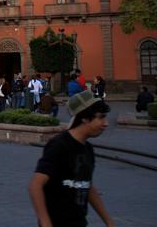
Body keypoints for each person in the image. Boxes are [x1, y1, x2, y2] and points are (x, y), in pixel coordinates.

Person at [29, 90, 115, 227]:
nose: (106, 124)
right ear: (85, 118)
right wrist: (45, 223)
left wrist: (109, 221)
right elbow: (35, 185)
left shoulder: (88, 149)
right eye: (101, 118)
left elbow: (87, 185)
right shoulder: (59, 145)